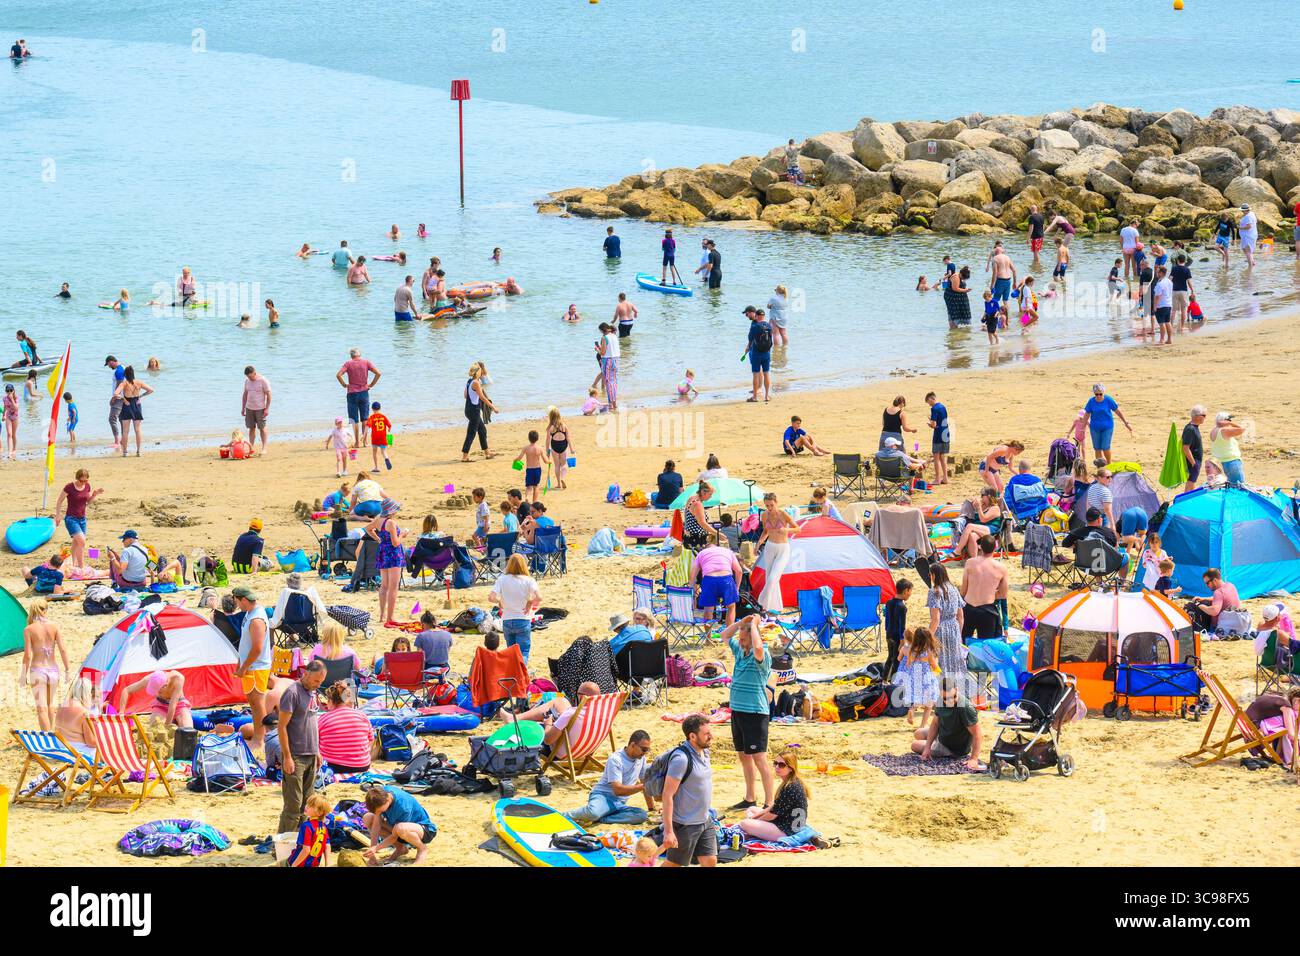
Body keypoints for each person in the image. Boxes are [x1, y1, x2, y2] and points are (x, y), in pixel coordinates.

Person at [660, 713, 716, 868]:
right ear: (692, 736)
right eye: (706, 734)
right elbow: (667, 795)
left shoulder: (705, 752)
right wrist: (669, 831)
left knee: (710, 861)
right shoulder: (681, 759)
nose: (711, 736)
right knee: (673, 864)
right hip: (685, 824)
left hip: (705, 820)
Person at [278, 659, 326, 835]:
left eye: (320, 682)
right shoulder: (292, 693)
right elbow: (281, 726)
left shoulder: (312, 693)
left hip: (311, 754)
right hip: (296, 755)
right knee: (293, 805)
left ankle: (300, 840)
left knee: (308, 805)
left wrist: (317, 751)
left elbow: (311, 722)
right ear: (305, 673)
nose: (317, 685)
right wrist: (287, 757)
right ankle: (283, 844)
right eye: (315, 681)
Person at [738, 749, 824, 844]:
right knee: (751, 809)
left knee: (744, 824)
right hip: (792, 824)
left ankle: (760, 832)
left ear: (791, 768)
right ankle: (758, 830)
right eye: (776, 763)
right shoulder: (792, 782)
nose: (777, 767)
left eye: (781, 765)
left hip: (788, 831)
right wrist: (754, 818)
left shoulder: (790, 787)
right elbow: (773, 807)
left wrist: (755, 820)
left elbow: (771, 815)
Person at [571, 730, 654, 825]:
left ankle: (602, 818)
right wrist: (643, 786)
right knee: (593, 813)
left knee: (641, 815)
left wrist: (651, 808)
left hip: (619, 803)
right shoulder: (616, 759)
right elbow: (618, 790)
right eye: (644, 749)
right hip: (603, 797)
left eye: (647, 750)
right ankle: (566, 816)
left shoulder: (641, 759)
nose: (645, 753)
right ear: (632, 745)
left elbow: (645, 783)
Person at [911, 678, 985, 771]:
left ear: (957, 690)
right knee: (917, 733)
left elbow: (978, 734)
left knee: (914, 745)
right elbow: (934, 724)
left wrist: (974, 759)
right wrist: (927, 747)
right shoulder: (940, 700)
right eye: (946, 698)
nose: (950, 701)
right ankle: (933, 743)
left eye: (953, 697)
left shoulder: (966, 707)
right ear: (941, 694)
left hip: (951, 747)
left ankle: (937, 746)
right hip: (944, 732)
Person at [234, 586, 273, 751]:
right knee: (254, 703)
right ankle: (260, 737)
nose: (236, 605)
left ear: (243, 599)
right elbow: (247, 643)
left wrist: (244, 667)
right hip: (253, 666)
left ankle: (260, 739)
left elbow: (257, 648)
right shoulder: (252, 613)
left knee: (257, 704)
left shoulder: (256, 620)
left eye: (237, 601)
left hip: (256, 667)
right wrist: (240, 661)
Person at [21, 598, 68, 732]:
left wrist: (23, 674)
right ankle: (52, 733)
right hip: (53, 670)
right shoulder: (54, 626)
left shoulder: (29, 629)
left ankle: (47, 739)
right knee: (50, 705)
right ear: (45, 610)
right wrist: (67, 669)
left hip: (38, 670)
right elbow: (63, 649)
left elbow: (28, 655)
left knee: (41, 708)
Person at [363, 785, 436, 866]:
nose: (378, 813)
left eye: (380, 810)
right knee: (368, 818)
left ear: (387, 800)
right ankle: (400, 848)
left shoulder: (403, 806)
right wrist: (372, 854)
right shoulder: (381, 793)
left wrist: (376, 848)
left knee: (400, 828)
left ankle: (422, 848)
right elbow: (376, 825)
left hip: (424, 830)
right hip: (399, 829)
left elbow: (395, 835)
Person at [490, 553, 541, 663]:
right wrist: (530, 602)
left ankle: (513, 675)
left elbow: (491, 598)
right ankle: (521, 676)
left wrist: (499, 601)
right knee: (523, 652)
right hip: (523, 619)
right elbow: (539, 597)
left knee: (511, 653)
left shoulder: (502, 579)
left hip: (507, 619)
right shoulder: (528, 580)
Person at [959, 536, 1007, 645]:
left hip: (969, 607)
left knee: (963, 643)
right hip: (987, 610)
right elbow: (1003, 594)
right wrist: (989, 593)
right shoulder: (1001, 568)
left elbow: (963, 590)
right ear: (995, 547)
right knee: (987, 646)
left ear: (980, 547)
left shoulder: (970, 563)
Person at [318, 683, 376, 773]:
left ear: (331, 701)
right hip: (362, 766)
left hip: (333, 767)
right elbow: (371, 740)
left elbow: (313, 742)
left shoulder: (323, 718)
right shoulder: (362, 716)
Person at [54, 469, 103, 569]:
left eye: (86, 481)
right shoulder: (69, 487)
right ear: (77, 478)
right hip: (71, 519)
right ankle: (81, 567)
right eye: (81, 481)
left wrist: (94, 495)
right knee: (82, 542)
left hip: (82, 519)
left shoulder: (87, 486)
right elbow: (59, 501)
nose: (84, 483)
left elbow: (87, 502)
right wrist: (58, 516)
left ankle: (74, 563)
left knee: (76, 542)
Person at [757, 493, 798, 612]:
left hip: (783, 548)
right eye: (767, 505)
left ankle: (761, 603)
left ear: (776, 502)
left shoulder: (783, 514)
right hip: (770, 547)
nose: (769, 508)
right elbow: (765, 531)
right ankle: (774, 607)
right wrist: (759, 543)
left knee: (773, 578)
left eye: (771, 505)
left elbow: (798, 529)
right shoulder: (764, 515)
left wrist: (787, 529)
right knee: (769, 577)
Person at [367, 498, 405, 625]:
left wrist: (378, 539)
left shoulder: (378, 521)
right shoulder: (391, 523)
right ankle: (390, 618)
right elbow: (396, 543)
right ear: (392, 511)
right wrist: (403, 535)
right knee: (393, 588)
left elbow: (368, 529)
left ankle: (382, 615)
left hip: (383, 552)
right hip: (393, 554)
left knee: (384, 585)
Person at [117, 669, 193, 729]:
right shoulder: (150, 679)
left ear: (165, 686)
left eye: (159, 692)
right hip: (161, 705)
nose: (157, 694)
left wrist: (167, 726)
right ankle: (175, 721)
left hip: (179, 705)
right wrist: (121, 711)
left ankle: (177, 719)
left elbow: (172, 706)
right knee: (155, 728)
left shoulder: (178, 678)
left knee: (187, 730)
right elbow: (126, 690)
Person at [337, 348, 381, 448]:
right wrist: (371, 385)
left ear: (351, 355)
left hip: (352, 394)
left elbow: (338, 375)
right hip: (364, 393)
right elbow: (378, 373)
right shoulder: (366, 362)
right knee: (365, 418)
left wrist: (344, 385)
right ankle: (365, 442)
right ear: (359, 355)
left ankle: (357, 442)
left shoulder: (348, 364)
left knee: (354, 420)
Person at [691, 542, 743, 626]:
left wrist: (693, 590)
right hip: (726, 578)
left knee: (708, 609)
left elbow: (692, 575)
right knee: (731, 607)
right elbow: (739, 571)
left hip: (709, 579)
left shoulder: (701, 554)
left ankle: (708, 638)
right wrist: (736, 588)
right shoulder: (728, 551)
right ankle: (728, 636)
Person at [897, 626, 940, 725]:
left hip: (915, 676)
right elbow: (934, 666)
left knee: (917, 697)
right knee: (929, 703)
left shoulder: (911, 650)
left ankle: (912, 709)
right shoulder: (928, 652)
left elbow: (908, 664)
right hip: (926, 677)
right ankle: (922, 725)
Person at [1081, 383, 1132, 464]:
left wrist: (1126, 422)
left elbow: (1117, 411)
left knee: (1105, 447)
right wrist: (1082, 428)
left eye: (1100, 394)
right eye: (1096, 394)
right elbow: (1087, 414)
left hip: (1107, 427)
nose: (1098, 396)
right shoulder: (1091, 401)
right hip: (1094, 428)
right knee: (1097, 448)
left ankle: (1109, 464)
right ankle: (1100, 467)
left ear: (1103, 393)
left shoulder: (1108, 400)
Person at [1186, 568, 1242, 634]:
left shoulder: (1218, 592)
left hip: (1220, 627)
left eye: (1207, 583)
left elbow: (1214, 611)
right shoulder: (1230, 585)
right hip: (1235, 623)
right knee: (1205, 602)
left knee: (1191, 607)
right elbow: (1221, 598)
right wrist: (1204, 598)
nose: (1207, 586)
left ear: (1215, 580)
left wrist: (1198, 605)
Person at [55, 678, 101, 759]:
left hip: (60, 747)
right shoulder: (84, 712)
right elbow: (91, 743)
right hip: (77, 752)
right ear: (87, 693)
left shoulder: (62, 705)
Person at [113, 365, 153, 457]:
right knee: (138, 430)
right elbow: (151, 390)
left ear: (125, 374)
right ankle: (139, 451)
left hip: (127, 405)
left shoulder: (124, 383)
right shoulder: (139, 382)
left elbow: (115, 394)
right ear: (133, 373)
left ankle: (125, 452)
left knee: (125, 431)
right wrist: (141, 396)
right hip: (137, 405)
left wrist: (123, 399)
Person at [955, 488, 1004, 559]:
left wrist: (979, 508)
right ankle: (974, 559)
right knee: (972, 536)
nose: (981, 497)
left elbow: (983, 519)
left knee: (969, 526)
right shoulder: (983, 506)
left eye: (982, 495)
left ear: (989, 496)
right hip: (981, 528)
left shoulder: (995, 508)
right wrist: (972, 504)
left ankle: (958, 550)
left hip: (991, 530)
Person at [288, 793, 332, 868]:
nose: (306, 806)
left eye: (311, 806)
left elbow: (306, 850)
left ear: (319, 812)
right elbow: (327, 846)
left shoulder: (306, 826)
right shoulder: (323, 826)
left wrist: (294, 865)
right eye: (307, 804)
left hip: (300, 863)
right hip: (314, 864)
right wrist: (327, 864)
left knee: (281, 863)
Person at [741, 306, 774, 403]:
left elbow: (750, 339)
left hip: (756, 353)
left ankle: (755, 397)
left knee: (755, 374)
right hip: (766, 353)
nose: (747, 315)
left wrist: (747, 348)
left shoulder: (755, 326)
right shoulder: (769, 326)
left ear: (757, 315)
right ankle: (767, 396)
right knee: (766, 374)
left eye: (747, 313)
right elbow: (771, 339)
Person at [884, 578, 912, 680]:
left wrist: (887, 631)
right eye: (910, 591)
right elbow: (902, 625)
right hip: (897, 637)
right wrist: (902, 640)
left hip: (889, 634)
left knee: (889, 657)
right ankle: (893, 680)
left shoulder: (889, 602)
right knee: (897, 659)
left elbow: (887, 620)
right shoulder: (902, 607)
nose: (910, 594)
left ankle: (884, 679)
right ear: (905, 591)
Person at [240, 365, 271, 456]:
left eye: (250, 376)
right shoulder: (247, 381)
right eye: (247, 376)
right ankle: (251, 448)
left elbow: (269, 395)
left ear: (254, 373)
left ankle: (264, 449)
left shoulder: (263, 380)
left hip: (260, 409)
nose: (249, 378)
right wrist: (243, 408)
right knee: (251, 428)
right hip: (249, 408)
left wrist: (267, 408)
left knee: (262, 428)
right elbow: (245, 394)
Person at [1209, 412, 1246, 485]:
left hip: (1219, 463)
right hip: (1231, 462)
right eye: (1229, 420)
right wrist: (1230, 424)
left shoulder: (1213, 430)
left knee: (1224, 487)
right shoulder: (1224, 430)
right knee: (1239, 487)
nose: (1230, 421)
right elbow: (1242, 429)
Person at [545, 406, 573, 491]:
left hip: (554, 447)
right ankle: (563, 477)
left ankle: (558, 484)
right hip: (563, 446)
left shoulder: (550, 428)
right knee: (563, 465)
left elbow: (547, 440)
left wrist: (547, 451)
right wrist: (571, 449)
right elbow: (568, 438)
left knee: (557, 465)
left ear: (551, 417)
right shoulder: (564, 426)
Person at [595, 323, 621, 411]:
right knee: (614, 382)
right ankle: (614, 403)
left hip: (607, 360)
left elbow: (602, 353)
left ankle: (610, 404)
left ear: (602, 330)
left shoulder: (604, 338)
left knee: (608, 382)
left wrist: (597, 349)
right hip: (616, 359)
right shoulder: (614, 336)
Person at [515, 430, 546, 503]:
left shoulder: (526, 448)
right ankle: (534, 501)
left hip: (529, 469)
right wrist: (549, 461)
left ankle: (527, 497)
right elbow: (545, 460)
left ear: (529, 438)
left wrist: (514, 460)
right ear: (537, 438)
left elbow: (519, 458)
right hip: (537, 469)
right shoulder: (540, 448)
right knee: (536, 486)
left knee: (529, 486)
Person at [1182, 405, 1207, 493]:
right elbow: (1185, 447)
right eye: (1204, 415)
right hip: (1193, 461)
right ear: (1198, 416)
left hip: (1195, 461)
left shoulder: (1193, 428)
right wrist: (1193, 463)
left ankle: (1189, 500)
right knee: (1191, 481)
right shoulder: (1190, 429)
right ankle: (1185, 502)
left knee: (1192, 481)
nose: (1205, 418)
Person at [105, 354, 127, 451]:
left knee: (112, 419)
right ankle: (122, 440)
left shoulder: (119, 371)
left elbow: (119, 384)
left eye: (109, 364)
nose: (109, 367)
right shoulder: (123, 367)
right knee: (121, 419)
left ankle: (117, 442)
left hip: (119, 398)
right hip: (124, 397)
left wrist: (114, 398)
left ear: (111, 362)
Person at [366, 402, 393, 471]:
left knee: (374, 452)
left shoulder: (371, 417)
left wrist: (364, 435)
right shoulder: (383, 417)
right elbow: (389, 426)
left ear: (372, 409)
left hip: (375, 438)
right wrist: (389, 430)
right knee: (383, 451)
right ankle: (386, 458)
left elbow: (367, 426)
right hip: (383, 437)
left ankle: (376, 467)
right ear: (380, 408)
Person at [1151, 265, 1173, 345]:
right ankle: (1169, 339)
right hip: (1168, 304)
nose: (1156, 273)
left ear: (1161, 273)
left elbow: (1157, 296)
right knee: (1167, 322)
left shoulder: (1160, 283)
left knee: (1161, 323)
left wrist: (1155, 306)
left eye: (1158, 272)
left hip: (1161, 305)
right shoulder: (1169, 281)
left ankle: (1162, 339)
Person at [1237, 203, 1258, 268]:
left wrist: (1240, 227)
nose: (1242, 211)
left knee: (1247, 251)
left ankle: (1250, 266)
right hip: (1250, 234)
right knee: (1245, 249)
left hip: (1248, 235)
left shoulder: (1248, 216)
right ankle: (1253, 263)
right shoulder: (1252, 214)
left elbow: (1249, 226)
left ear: (1246, 210)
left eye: (1243, 210)